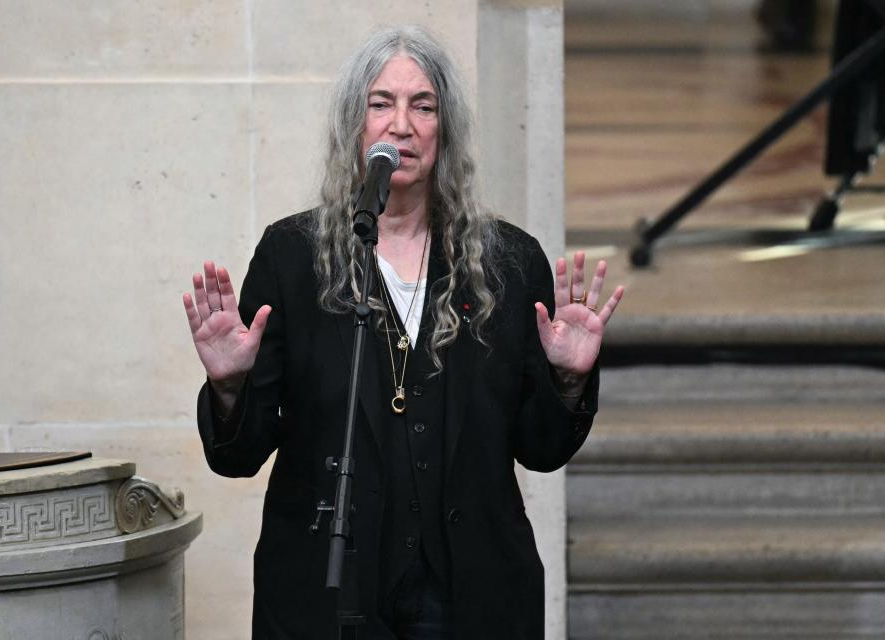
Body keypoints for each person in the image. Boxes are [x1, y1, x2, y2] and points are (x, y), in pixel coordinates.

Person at [183, 26, 623, 640]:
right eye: (381, 103)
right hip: (330, 588)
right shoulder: (292, 256)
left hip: (472, 593)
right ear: (354, 127)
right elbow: (240, 455)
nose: (401, 125)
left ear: (446, 131)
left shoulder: (510, 262)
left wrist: (569, 380)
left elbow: (541, 450)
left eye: (423, 106)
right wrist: (229, 385)